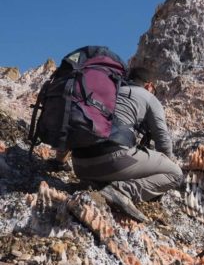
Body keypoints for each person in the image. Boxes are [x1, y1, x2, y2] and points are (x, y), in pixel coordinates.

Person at [68, 67, 183, 222]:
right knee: (175, 173)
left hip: (80, 166)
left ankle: (100, 182)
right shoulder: (149, 97)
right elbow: (162, 139)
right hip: (112, 161)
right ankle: (123, 192)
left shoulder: (108, 92)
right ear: (149, 85)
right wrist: (165, 163)